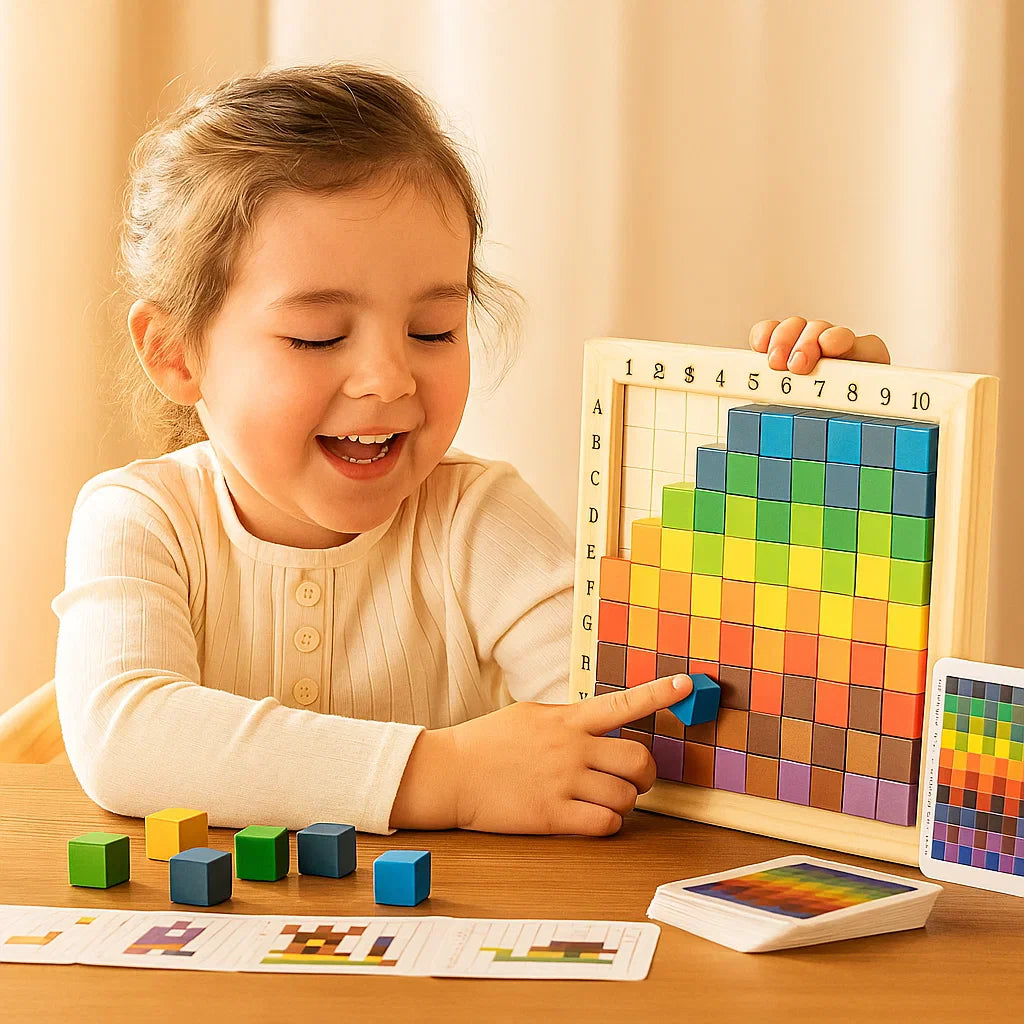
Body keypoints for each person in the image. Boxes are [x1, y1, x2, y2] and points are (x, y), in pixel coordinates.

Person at [51, 61, 889, 839]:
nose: (386, 378)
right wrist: (447, 774)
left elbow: (662, 730)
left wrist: (829, 458)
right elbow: (126, 737)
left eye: (432, 329)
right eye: (317, 336)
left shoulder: (477, 519)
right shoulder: (142, 518)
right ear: (177, 354)